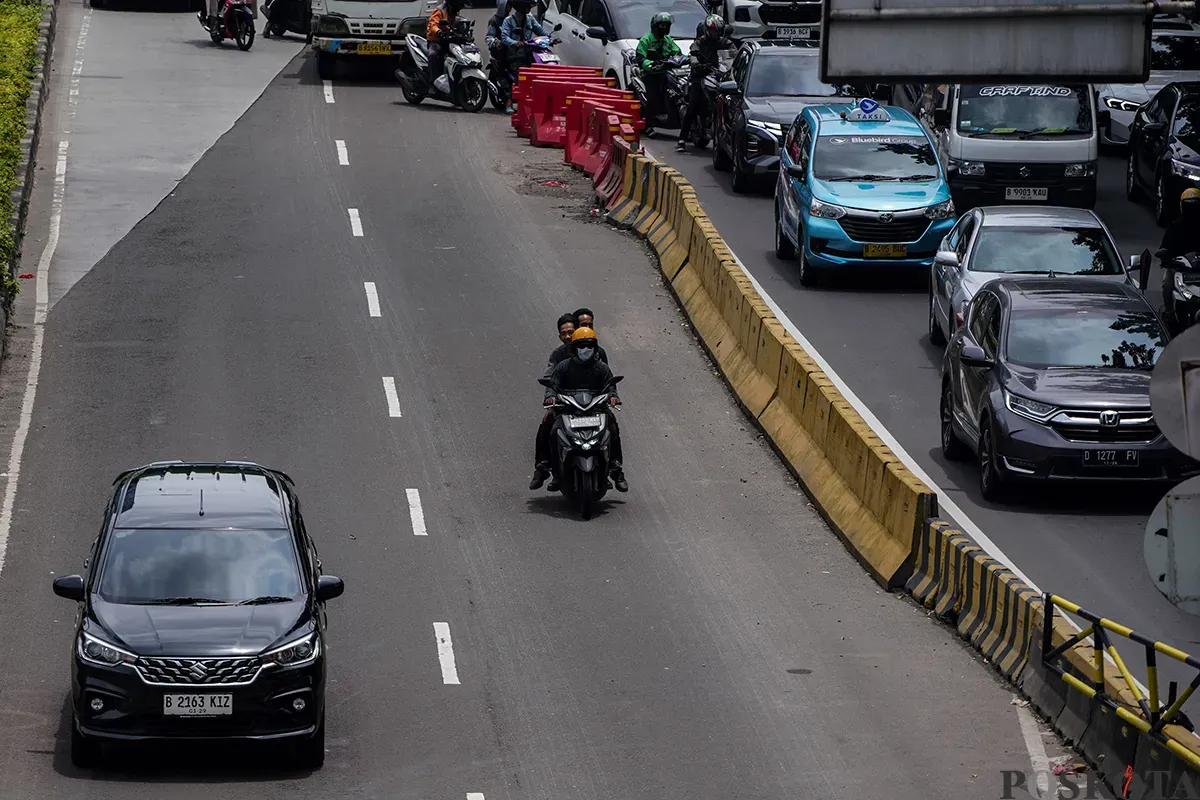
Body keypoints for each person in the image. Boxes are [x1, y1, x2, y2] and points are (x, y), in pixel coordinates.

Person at [532, 327, 628, 492]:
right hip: (567, 408)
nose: (585, 349)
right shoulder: (563, 366)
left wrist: (613, 396)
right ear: (574, 348)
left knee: (612, 426)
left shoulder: (601, 368)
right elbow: (552, 385)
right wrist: (551, 396)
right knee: (548, 426)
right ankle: (543, 467)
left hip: (596, 408)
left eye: (589, 345)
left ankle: (616, 468)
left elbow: (610, 386)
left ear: (595, 347)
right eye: (581, 345)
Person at [677, 15, 730, 152]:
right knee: (693, 105)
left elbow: (732, 54)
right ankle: (682, 139)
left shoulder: (725, 43)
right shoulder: (700, 42)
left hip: (718, 76)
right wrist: (697, 63)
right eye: (713, 31)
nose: (715, 33)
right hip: (699, 76)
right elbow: (693, 54)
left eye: (717, 31)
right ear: (707, 30)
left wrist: (733, 64)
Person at [636, 12, 682, 134]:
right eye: (662, 26)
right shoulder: (645, 41)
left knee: (676, 94)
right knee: (652, 98)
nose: (665, 28)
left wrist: (684, 59)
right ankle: (648, 125)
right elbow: (640, 59)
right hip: (649, 75)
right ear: (655, 27)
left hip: (665, 73)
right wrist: (651, 64)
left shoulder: (668, 40)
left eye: (667, 26)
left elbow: (677, 52)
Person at [1160, 188, 1200, 326]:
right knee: (1167, 281)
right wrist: (1166, 258)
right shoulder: (1175, 226)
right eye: (1189, 205)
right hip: (1181, 267)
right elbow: (1164, 246)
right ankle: (1170, 311)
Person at [426, 0, 467, 87]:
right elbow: (432, 24)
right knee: (433, 55)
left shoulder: (454, 12)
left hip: (448, 40)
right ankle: (433, 82)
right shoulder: (440, 10)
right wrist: (439, 32)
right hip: (436, 40)